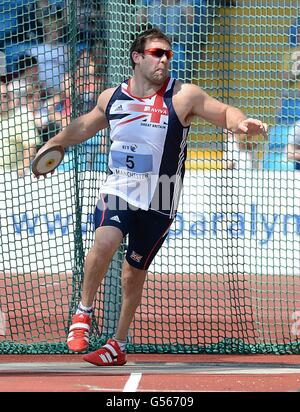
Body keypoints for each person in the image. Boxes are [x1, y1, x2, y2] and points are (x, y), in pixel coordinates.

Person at [32, 28, 268, 366]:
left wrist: (241, 122)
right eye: (157, 53)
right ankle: (83, 312)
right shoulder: (112, 97)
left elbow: (223, 111)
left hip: (160, 199)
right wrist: (53, 144)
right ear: (137, 56)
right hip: (120, 189)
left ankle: (118, 343)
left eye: (168, 55)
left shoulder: (183, 96)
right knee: (104, 242)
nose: (164, 60)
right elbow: (84, 126)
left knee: (133, 274)